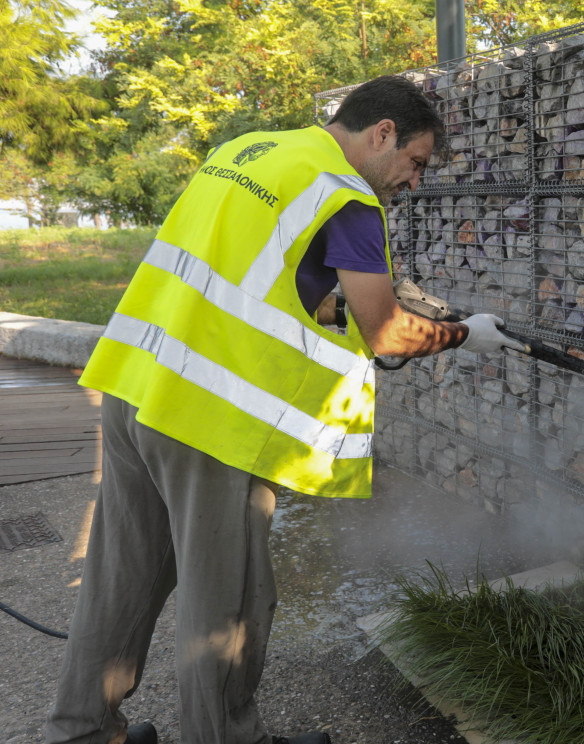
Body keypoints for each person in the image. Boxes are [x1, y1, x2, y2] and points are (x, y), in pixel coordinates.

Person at [44, 75, 525, 744]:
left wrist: (336, 303)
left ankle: (84, 730)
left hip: (134, 386)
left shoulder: (251, 152)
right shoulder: (348, 199)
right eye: (415, 162)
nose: (413, 182)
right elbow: (385, 333)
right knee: (229, 608)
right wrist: (464, 334)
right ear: (381, 132)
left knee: (120, 580)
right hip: (210, 423)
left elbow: (261, 275)